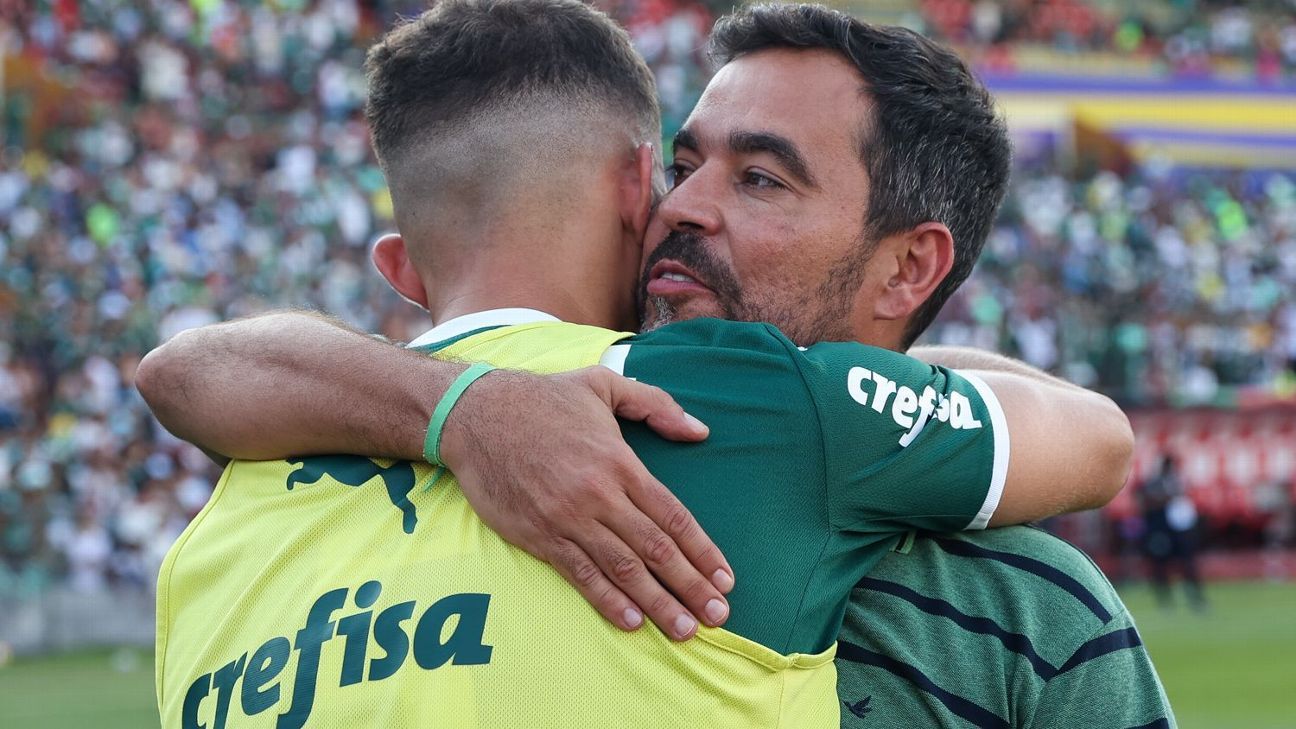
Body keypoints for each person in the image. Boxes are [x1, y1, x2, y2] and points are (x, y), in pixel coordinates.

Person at [138, 2, 1167, 727]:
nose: (683, 206)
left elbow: (182, 369)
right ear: (634, 187)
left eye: (758, 177)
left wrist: (461, 407)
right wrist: (466, 410)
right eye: (681, 167)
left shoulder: (222, 526)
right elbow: (1096, 436)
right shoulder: (749, 416)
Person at [1138, 453, 1207, 610]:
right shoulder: (1155, 483)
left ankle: (1195, 598)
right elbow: (1145, 499)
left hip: (1179, 531)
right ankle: (1166, 601)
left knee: (1187, 565)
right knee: (1160, 565)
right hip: (1161, 530)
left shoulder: (1178, 482)